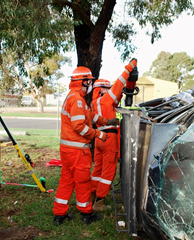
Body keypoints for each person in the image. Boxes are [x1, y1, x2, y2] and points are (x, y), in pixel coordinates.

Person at [53, 66, 119, 225]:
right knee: (83, 182)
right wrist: (99, 134)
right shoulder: (77, 100)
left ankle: (59, 214)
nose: (90, 84)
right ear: (82, 81)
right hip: (77, 152)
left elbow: (90, 116)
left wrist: (107, 122)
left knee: (66, 181)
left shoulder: (72, 97)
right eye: (88, 81)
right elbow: (79, 126)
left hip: (68, 151)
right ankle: (86, 214)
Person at [90, 59, 138, 212]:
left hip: (98, 138)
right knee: (108, 171)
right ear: (102, 89)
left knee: (97, 169)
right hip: (109, 138)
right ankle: (100, 202)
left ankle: (92, 195)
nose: (110, 90)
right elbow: (119, 83)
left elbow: (115, 101)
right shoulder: (106, 98)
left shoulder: (94, 103)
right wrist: (130, 68)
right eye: (107, 88)